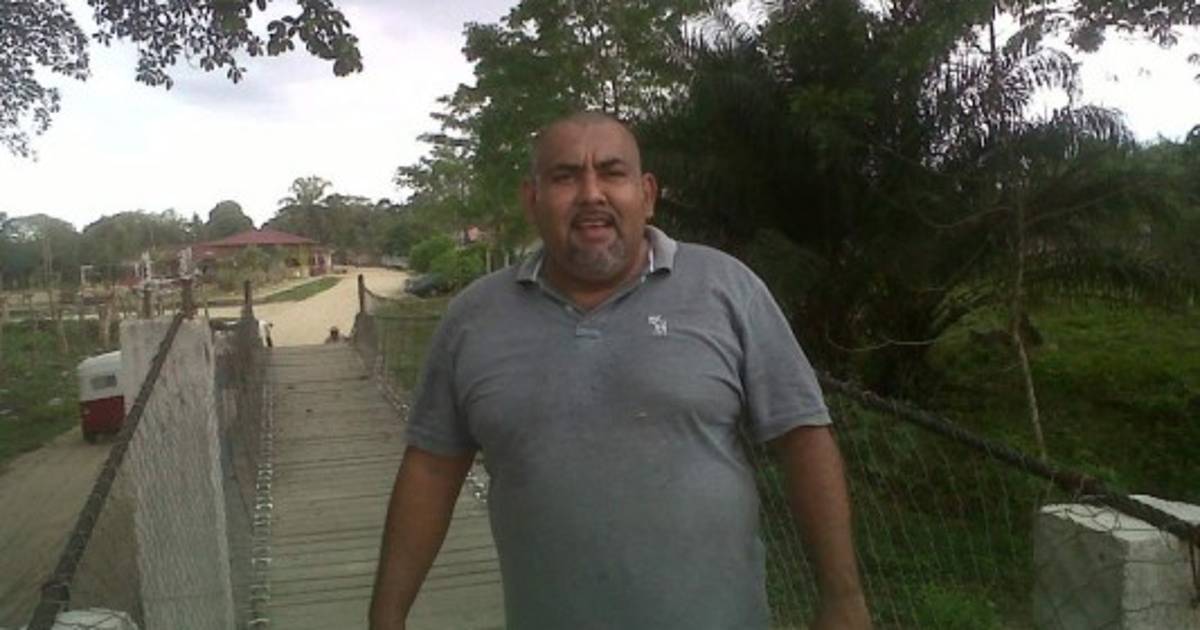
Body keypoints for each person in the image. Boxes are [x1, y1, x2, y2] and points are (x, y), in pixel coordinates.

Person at [370, 112, 871, 630]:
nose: (591, 193)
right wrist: (387, 617)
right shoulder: (473, 319)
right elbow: (431, 469)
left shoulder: (728, 289)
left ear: (646, 194)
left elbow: (802, 436)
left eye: (612, 172)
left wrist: (843, 599)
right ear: (532, 199)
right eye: (565, 176)